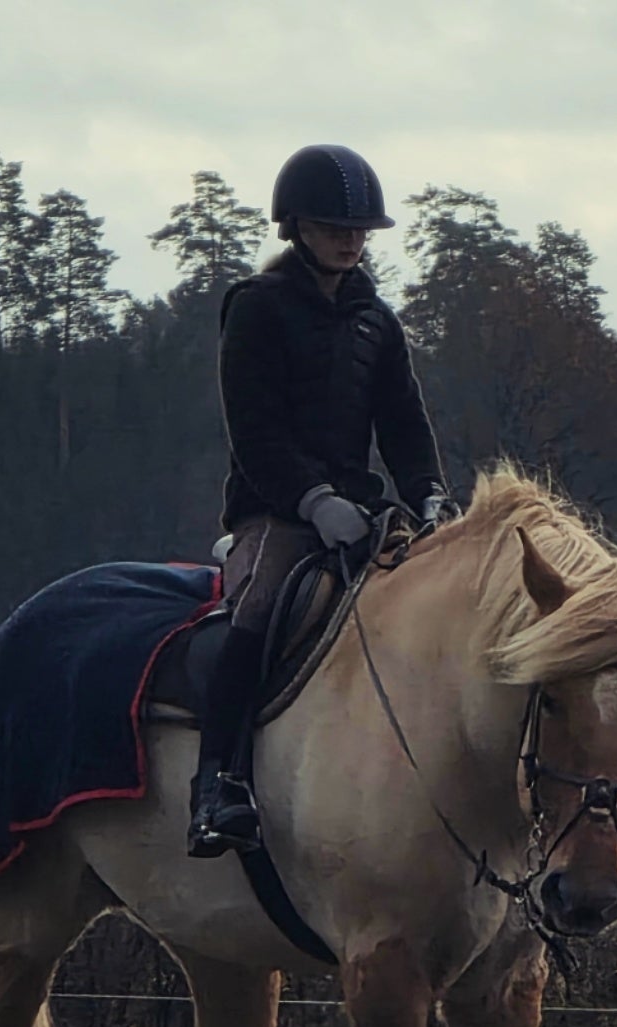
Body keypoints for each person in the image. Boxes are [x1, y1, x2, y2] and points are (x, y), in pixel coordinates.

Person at [187, 144, 452, 858]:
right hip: (276, 511)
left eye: (360, 228)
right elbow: (256, 433)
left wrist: (428, 495)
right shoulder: (256, 308)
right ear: (296, 225)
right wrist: (314, 501)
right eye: (336, 225)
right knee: (260, 609)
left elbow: (404, 423)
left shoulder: (377, 320)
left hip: (365, 514)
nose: (350, 238)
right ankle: (217, 786)